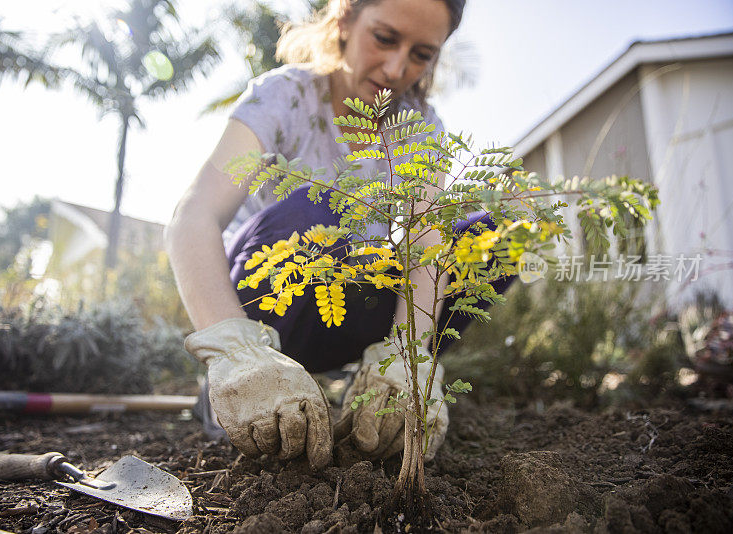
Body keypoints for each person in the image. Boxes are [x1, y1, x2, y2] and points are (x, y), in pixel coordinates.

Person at [166, 0, 508, 470]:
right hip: (268, 304)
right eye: (385, 38)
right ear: (345, 19)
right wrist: (235, 351)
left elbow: (427, 243)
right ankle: (252, 382)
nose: (395, 67)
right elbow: (193, 217)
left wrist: (408, 359)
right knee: (323, 204)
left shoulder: (420, 128)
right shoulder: (284, 96)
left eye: (421, 53)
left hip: (350, 301)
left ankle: (375, 390)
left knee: (490, 240)